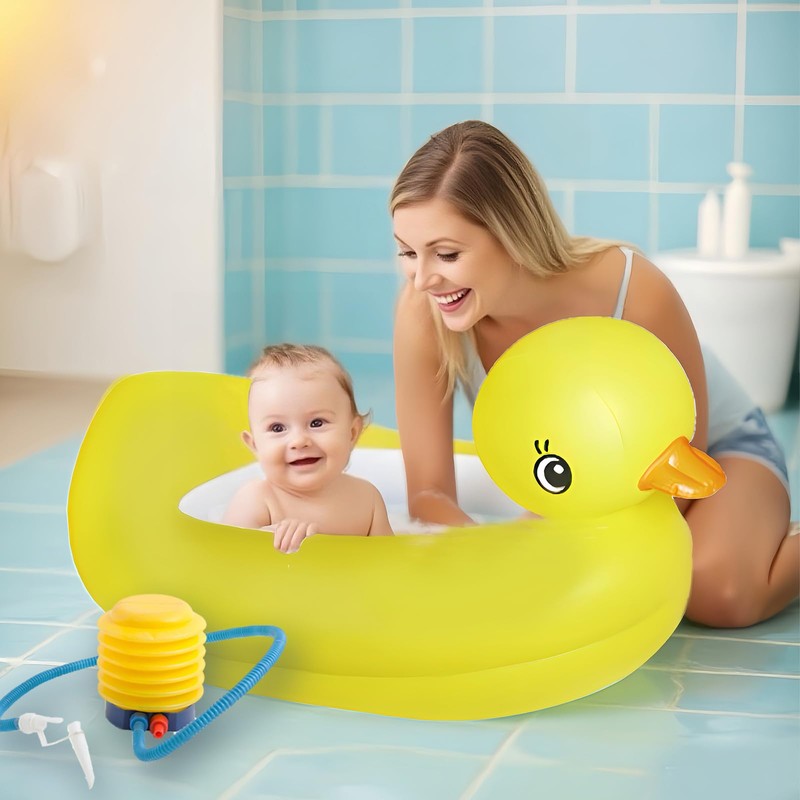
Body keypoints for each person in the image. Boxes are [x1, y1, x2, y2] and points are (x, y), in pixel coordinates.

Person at [391, 120, 798, 628]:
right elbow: (429, 494)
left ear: (510, 233)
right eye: (407, 252)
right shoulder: (424, 314)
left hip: (710, 456)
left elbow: (681, 468)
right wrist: (491, 554)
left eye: (447, 254)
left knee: (718, 594)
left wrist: (558, 540)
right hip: (585, 486)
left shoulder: (629, 286)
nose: (422, 279)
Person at [222, 343, 393, 552]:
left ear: (352, 433)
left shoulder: (367, 499)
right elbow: (226, 557)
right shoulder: (257, 499)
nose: (299, 441)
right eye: (277, 428)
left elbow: (391, 561)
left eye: (317, 423)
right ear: (255, 445)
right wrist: (266, 541)